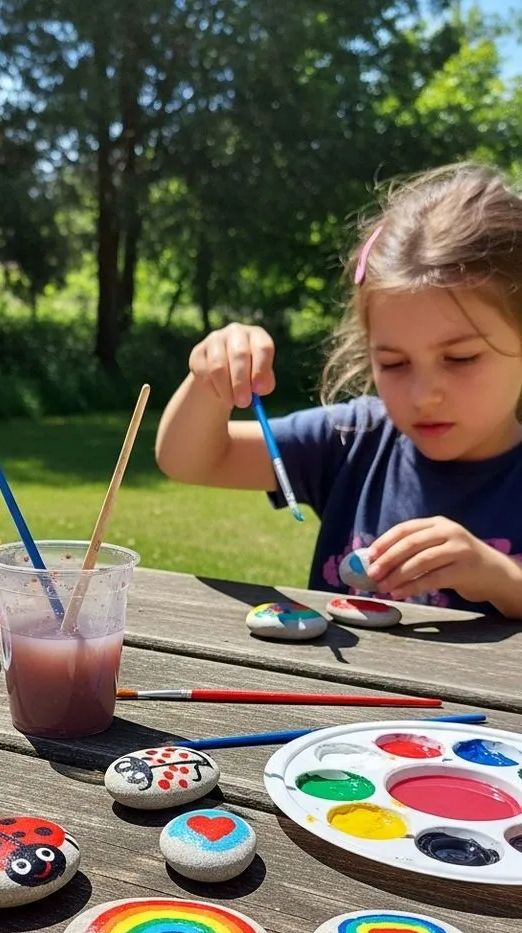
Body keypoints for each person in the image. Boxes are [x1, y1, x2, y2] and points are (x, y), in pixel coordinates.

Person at [156, 162, 522, 617]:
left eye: (461, 358)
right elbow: (189, 460)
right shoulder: (354, 439)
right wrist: (208, 380)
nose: (424, 394)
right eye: (393, 363)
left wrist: (503, 578)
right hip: (338, 689)